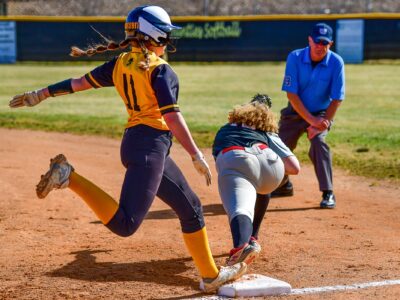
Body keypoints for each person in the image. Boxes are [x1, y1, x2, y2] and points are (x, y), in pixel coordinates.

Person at [8, 5, 247, 292]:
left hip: (139, 146)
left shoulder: (120, 63)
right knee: (126, 223)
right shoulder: (161, 71)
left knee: (192, 207)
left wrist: (41, 94)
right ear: (156, 36)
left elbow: (77, 83)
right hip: (150, 149)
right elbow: (172, 117)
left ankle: (210, 275)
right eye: (167, 35)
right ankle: (69, 177)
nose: (168, 40)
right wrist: (196, 154)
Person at [212, 94, 300, 266]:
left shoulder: (226, 128)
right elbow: (294, 167)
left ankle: (241, 246)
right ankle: (253, 237)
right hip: (270, 165)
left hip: (236, 156)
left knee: (240, 208)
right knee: (261, 186)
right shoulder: (267, 132)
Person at [272, 23, 345, 209]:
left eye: (325, 43)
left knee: (319, 144)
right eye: (317, 42)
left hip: (321, 114)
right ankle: (283, 185)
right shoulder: (295, 57)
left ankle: (328, 192)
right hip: (296, 111)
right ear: (309, 40)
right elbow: (291, 94)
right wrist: (311, 121)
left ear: (331, 44)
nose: (321, 46)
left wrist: (321, 123)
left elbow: (336, 99)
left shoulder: (336, 62)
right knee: (280, 146)